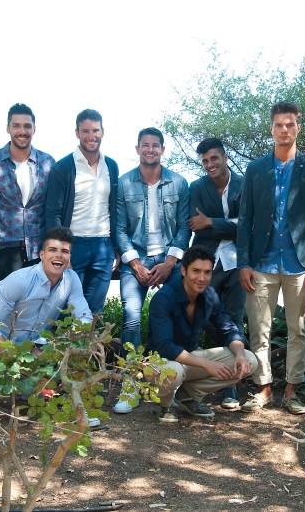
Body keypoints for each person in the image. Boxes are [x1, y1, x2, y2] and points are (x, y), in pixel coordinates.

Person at [237, 102, 305, 415]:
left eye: (290, 124)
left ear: (298, 127)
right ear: (271, 129)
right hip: (261, 262)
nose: (284, 130)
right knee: (259, 329)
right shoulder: (256, 169)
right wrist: (244, 263)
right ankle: (263, 388)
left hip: (299, 264)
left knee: (298, 330)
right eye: (279, 125)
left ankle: (292, 390)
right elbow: (245, 218)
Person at [112, 127, 191, 414]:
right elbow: (119, 228)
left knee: (180, 313)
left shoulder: (179, 183)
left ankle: (174, 383)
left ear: (162, 149)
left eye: (155, 145)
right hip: (135, 258)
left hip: (169, 258)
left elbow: (184, 228)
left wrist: (170, 263)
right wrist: (134, 264)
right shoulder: (123, 184)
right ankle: (130, 385)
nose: (150, 150)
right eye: (145, 145)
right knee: (131, 317)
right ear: (137, 149)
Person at [146, 246, 259, 423]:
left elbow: (228, 328)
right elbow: (165, 346)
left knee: (249, 359)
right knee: (174, 371)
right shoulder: (164, 297)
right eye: (196, 271)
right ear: (183, 270)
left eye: (207, 272)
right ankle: (166, 404)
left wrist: (239, 355)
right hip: (158, 362)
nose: (202, 278)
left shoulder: (209, 295)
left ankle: (186, 396)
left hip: (190, 359)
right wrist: (207, 364)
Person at [189, 138, 246, 410]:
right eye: (205, 161)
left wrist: (211, 221)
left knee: (234, 320)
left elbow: (247, 225)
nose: (210, 164)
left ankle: (231, 387)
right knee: (204, 319)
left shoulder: (244, 184)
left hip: (237, 263)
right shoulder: (197, 188)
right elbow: (195, 225)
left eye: (214, 158)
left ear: (225, 157)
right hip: (207, 262)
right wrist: (230, 225)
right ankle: (198, 383)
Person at [44, 109, 119, 314]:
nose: (91, 136)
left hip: (103, 246)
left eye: (95, 130)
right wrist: (60, 250)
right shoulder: (63, 167)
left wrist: (115, 247)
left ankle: (90, 338)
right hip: (73, 245)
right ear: (77, 133)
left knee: (94, 312)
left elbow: (114, 208)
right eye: (85, 131)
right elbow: (53, 213)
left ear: (103, 132)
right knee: (67, 310)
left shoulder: (111, 166)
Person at [0, 103, 54, 298]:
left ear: (34, 129)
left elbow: (52, 209)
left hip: (38, 253)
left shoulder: (47, 162)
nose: (22, 131)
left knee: (37, 313)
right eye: (16, 125)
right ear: (8, 128)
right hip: (2, 252)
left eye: (27, 126)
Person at [0, 227, 92, 346]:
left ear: (69, 257)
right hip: (4, 345)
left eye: (64, 251)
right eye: (53, 250)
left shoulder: (71, 279)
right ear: (42, 255)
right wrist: (12, 353)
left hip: (41, 347)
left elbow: (84, 317)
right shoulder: (19, 280)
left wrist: (69, 345)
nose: (59, 255)